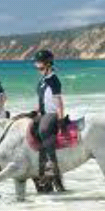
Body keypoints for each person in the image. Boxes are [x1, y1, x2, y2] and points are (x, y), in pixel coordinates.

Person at [34, 49, 66, 191]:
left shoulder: (54, 80)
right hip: (43, 113)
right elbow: (41, 99)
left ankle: (52, 165)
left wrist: (60, 119)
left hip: (52, 114)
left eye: (40, 66)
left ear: (48, 65)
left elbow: (58, 101)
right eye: (37, 66)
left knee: (44, 129)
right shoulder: (42, 80)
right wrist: (33, 112)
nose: (38, 69)